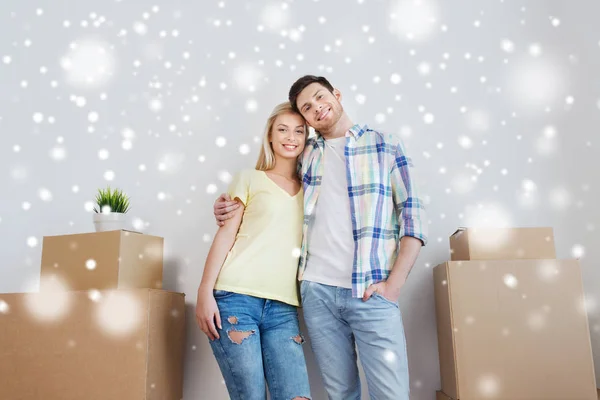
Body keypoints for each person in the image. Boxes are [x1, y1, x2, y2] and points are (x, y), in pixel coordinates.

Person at [213, 76, 428, 400]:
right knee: (340, 393)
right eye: (307, 108)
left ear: (336, 94)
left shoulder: (385, 144)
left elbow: (413, 216)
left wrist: (393, 286)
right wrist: (226, 205)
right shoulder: (307, 154)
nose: (317, 108)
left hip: (372, 291)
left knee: (392, 394)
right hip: (317, 293)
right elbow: (273, 188)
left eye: (319, 98)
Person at [196, 102, 311, 400]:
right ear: (270, 136)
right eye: (283, 129)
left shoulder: (312, 188)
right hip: (235, 299)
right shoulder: (249, 178)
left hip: (284, 307)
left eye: (299, 131)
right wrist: (204, 292)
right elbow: (225, 235)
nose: (291, 137)